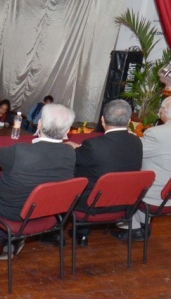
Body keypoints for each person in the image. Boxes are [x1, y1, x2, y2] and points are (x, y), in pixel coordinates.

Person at [0, 103, 77, 260]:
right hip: (48, 211)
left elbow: (0, 156)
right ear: (67, 131)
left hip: (13, 211)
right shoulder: (70, 153)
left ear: (39, 124)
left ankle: (9, 237)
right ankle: (16, 238)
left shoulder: (21, 151)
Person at [112, 95, 171, 241]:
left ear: (163, 111)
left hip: (160, 197)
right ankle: (142, 224)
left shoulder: (157, 133)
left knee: (123, 177)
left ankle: (132, 228)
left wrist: (127, 137)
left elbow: (133, 150)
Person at [67, 99, 142, 247]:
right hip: (124, 204)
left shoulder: (93, 146)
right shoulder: (137, 142)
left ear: (102, 120)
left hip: (92, 206)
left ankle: (80, 232)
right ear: (128, 121)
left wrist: (73, 147)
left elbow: (77, 158)